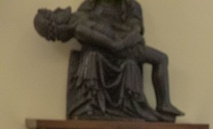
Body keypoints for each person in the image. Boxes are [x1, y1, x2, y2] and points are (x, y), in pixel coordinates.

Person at [33, 0, 183, 121]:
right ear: (58, 24)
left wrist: (132, 36)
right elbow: (109, 44)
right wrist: (126, 42)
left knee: (161, 58)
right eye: (54, 14)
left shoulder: (131, 6)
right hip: (119, 50)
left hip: (128, 45)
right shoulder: (84, 15)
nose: (59, 9)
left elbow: (135, 28)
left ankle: (164, 104)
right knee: (160, 58)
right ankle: (163, 105)